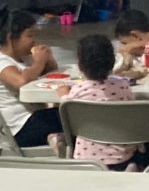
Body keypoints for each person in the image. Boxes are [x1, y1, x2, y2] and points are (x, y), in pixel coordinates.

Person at [0, 8, 62, 148]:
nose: (33, 41)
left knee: (68, 114)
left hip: (35, 118)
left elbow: (50, 74)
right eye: (29, 35)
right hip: (21, 127)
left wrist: (48, 60)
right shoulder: (0, 62)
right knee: (69, 118)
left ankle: (59, 140)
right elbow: (22, 82)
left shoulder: (24, 58)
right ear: (11, 38)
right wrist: (39, 62)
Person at [56, 35, 137, 170]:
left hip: (87, 158)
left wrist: (64, 96)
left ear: (80, 65)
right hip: (121, 155)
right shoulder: (123, 85)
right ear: (112, 61)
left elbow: (67, 117)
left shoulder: (78, 90)